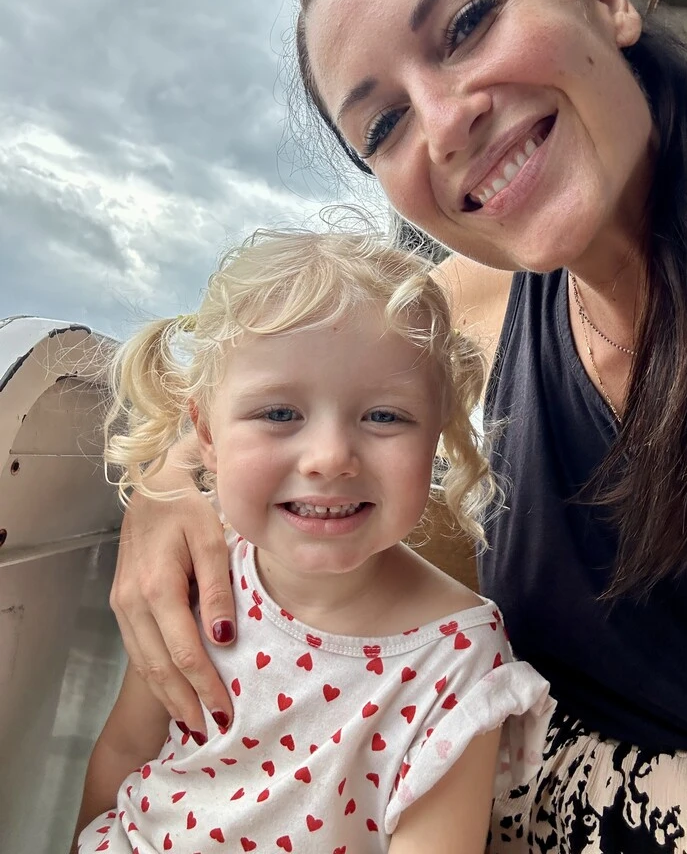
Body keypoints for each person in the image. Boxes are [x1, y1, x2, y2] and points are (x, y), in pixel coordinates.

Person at [106, 0, 687, 853]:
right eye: (384, 122)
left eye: (466, 25)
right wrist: (169, 489)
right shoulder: (468, 305)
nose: (447, 117)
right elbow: (268, 363)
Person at [73, 229, 553, 854]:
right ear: (206, 436)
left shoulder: (459, 658)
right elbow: (126, 749)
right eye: (279, 414)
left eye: (384, 416)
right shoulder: (202, 575)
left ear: (436, 436)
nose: (330, 457)